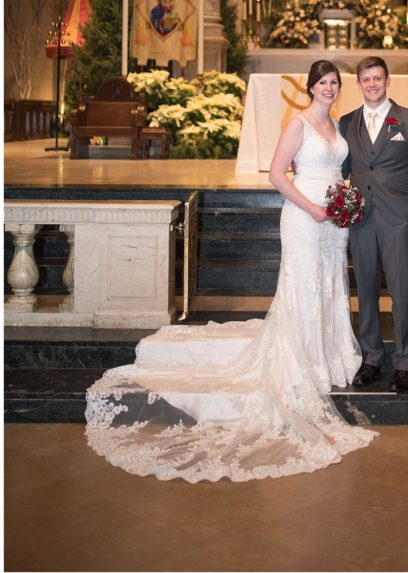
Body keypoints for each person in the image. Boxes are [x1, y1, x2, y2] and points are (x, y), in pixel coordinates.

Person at [84, 60, 376, 482]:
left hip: (334, 219)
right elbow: (277, 174)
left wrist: (341, 202)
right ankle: (303, 356)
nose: (329, 89)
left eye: (334, 83)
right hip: (304, 213)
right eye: (323, 83)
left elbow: (340, 170)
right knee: (303, 283)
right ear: (310, 87)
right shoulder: (298, 124)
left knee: (330, 282)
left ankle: (330, 353)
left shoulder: (338, 128)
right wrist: (312, 207)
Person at [339, 56, 408, 392]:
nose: (372, 85)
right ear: (359, 84)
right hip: (361, 220)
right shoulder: (347, 122)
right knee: (365, 292)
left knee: (399, 292)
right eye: (366, 80)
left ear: (387, 81)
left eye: (377, 79)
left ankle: (405, 361)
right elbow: (343, 169)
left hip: (398, 220)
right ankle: (371, 359)